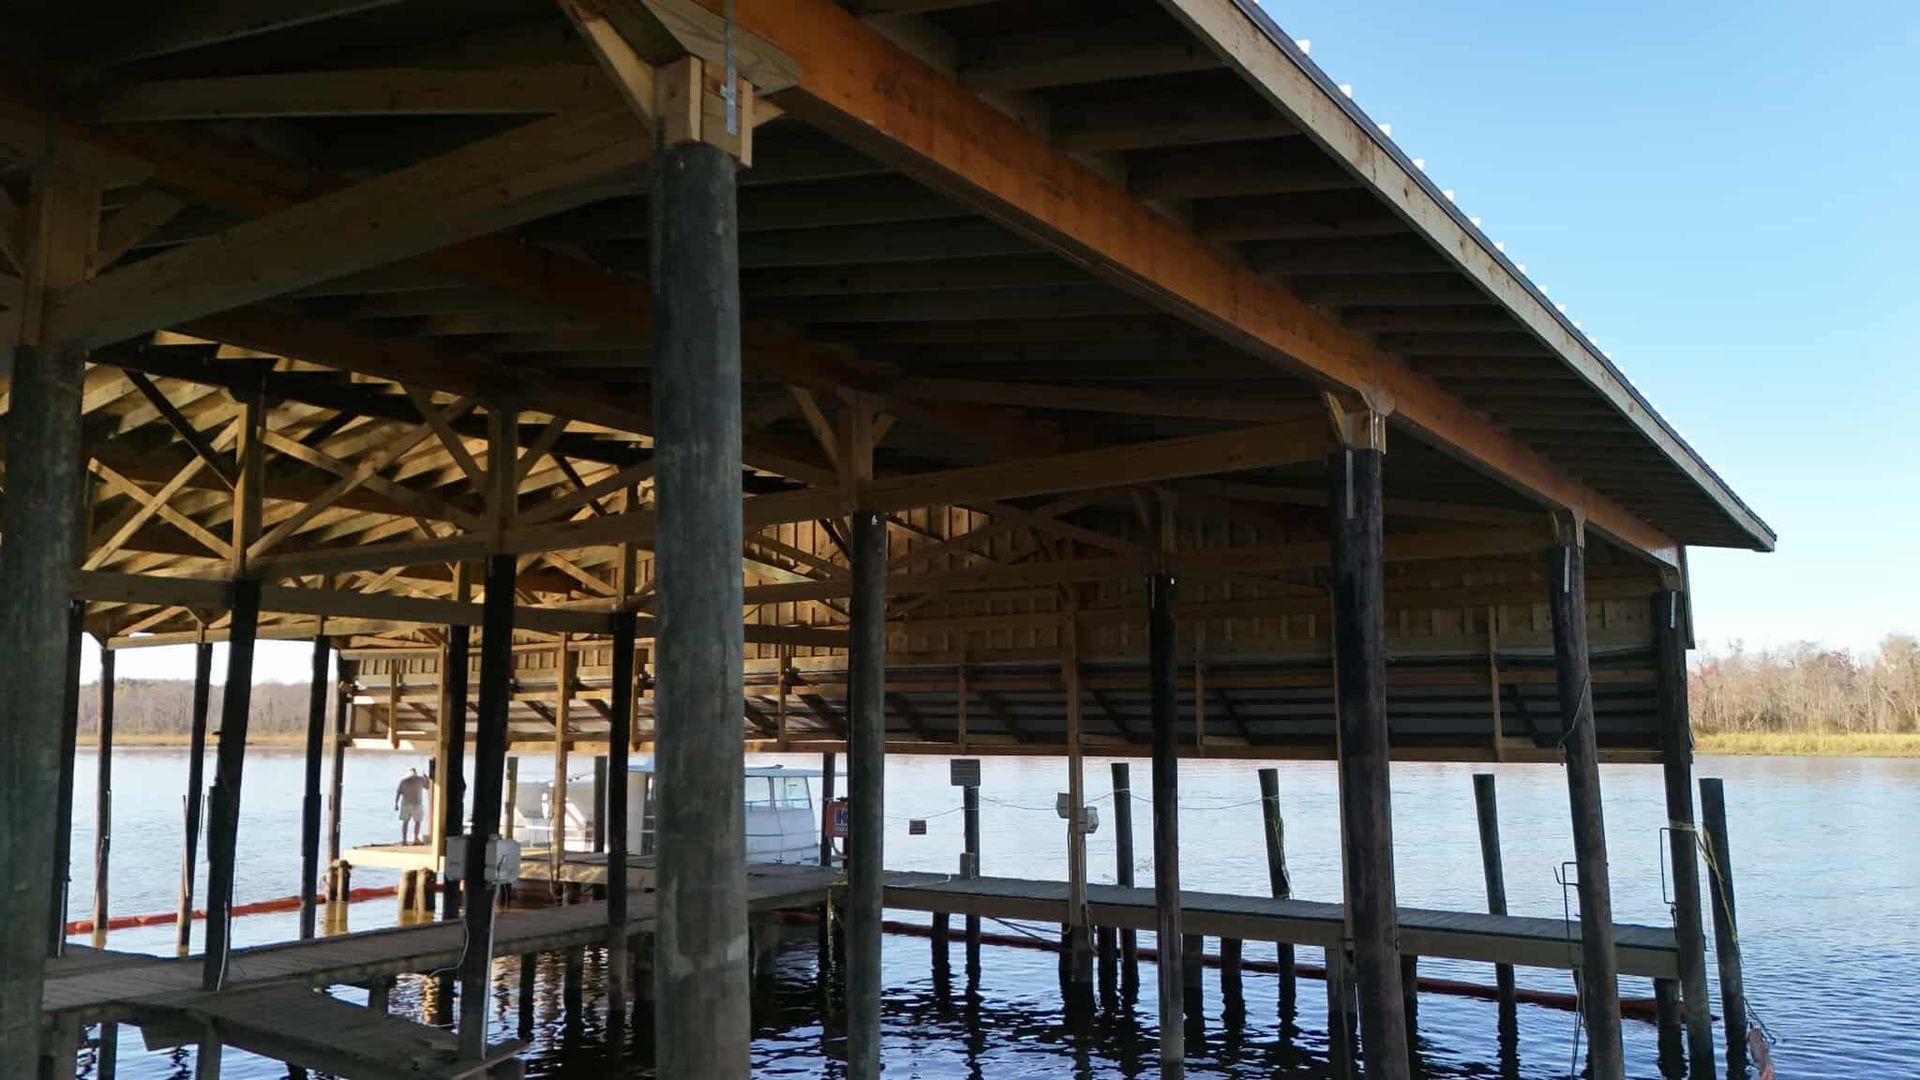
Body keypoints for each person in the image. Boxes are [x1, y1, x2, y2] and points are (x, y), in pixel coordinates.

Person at [394, 766, 431, 845]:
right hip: (417, 804)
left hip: (405, 804)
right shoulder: (420, 780)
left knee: (405, 822)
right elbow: (428, 787)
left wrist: (396, 804)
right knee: (417, 822)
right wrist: (427, 778)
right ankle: (416, 839)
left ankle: (404, 840)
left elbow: (398, 793)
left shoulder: (403, 781)